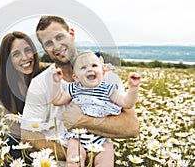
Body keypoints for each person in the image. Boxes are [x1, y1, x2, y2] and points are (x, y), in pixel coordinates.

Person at [20, 15, 140, 165]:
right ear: (44, 48)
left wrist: (82, 121)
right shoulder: (40, 84)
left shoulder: (106, 76)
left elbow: (132, 127)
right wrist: (79, 155)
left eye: (59, 37)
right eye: (49, 43)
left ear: (71, 34)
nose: (56, 46)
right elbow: (28, 137)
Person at [51, 50, 141, 166]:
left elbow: (127, 103)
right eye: (83, 68)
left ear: (103, 72)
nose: (89, 69)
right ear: (76, 77)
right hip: (77, 137)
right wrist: (55, 83)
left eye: (94, 65)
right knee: (73, 160)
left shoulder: (108, 89)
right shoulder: (74, 88)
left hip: (102, 138)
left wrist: (133, 89)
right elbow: (57, 100)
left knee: (106, 161)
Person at [0, 31, 42, 163]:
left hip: (47, 140)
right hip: (22, 140)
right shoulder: (6, 87)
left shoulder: (46, 76)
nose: (25, 58)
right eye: (16, 54)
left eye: (28, 50)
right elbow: (13, 126)